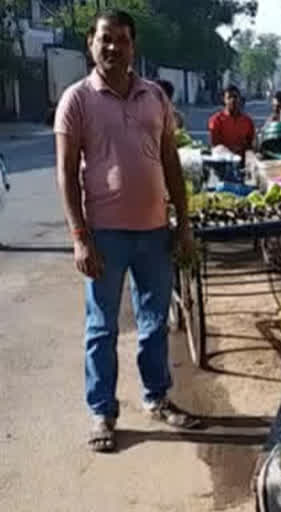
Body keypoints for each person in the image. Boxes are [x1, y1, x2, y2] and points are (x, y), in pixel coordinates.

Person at [54, 9, 200, 453]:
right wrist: (80, 236)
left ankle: (157, 398)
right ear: (90, 43)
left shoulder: (154, 96)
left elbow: (171, 163)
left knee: (154, 323)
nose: (113, 47)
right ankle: (103, 412)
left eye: (121, 39)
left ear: (133, 46)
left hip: (154, 232)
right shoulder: (77, 100)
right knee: (102, 328)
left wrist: (183, 224)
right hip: (105, 236)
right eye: (105, 39)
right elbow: (64, 173)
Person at [207, 85, 255, 157]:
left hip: (243, 160)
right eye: (229, 97)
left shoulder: (248, 121)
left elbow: (250, 144)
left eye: (235, 97)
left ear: (240, 99)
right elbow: (215, 145)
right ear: (224, 100)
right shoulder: (215, 120)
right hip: (222, 159)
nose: (232, 100)